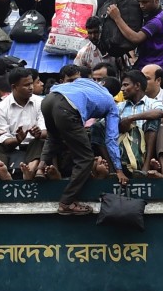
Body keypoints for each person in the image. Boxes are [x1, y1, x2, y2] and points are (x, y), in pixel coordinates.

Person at [40, 72, 127, 215]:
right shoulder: (111, 104)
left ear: (102, 83)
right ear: (114, 94)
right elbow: (111, 138)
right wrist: (118, 169)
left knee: (53, 137)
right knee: (85, 158)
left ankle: (40, 168)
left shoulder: (86, 82)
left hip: (49, 99)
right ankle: (67, 202)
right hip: (67, 108)